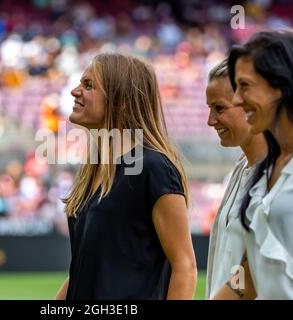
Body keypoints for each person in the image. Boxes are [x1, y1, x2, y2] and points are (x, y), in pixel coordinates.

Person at [55, 53, 197, 300]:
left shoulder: (153, 167)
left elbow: (184, 266)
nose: (75, 92)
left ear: (121, 100)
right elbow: (85, 271)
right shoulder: (94, 170)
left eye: (89, 85)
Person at [214, 29, 293, 299]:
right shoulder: (266, 168)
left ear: (281, 85)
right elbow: (249, 274)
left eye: (244, 86)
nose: (236, 99)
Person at [204, 59, 268, 299]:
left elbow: (252, 276)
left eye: (219, 108)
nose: (211, 120)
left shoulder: (280, 178)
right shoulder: (241, 167)